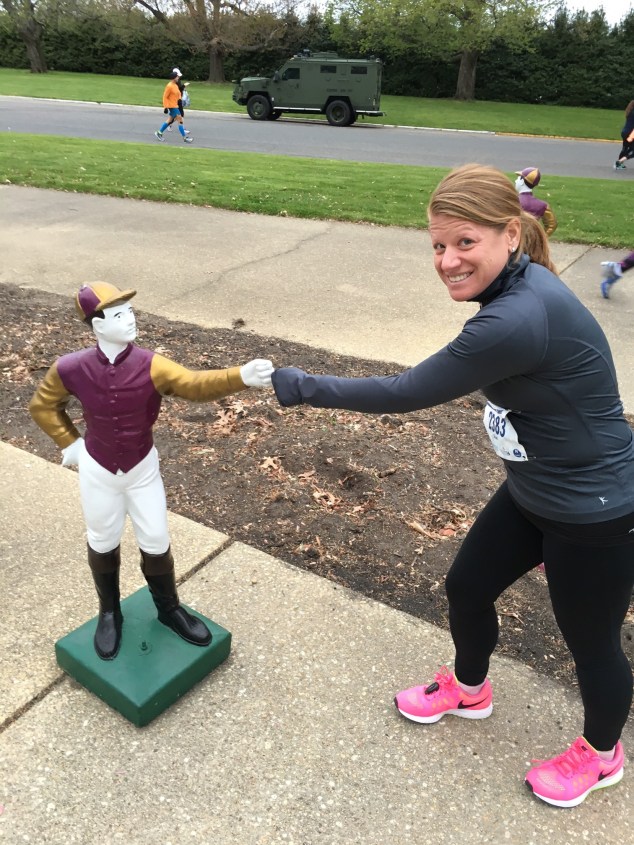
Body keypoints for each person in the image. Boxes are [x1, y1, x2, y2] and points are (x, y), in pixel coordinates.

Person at [271, 163, 634, 809]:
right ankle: (470, 688)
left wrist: (302, 385)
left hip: (592, 508)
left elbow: (406, 391)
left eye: (464, 242)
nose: (446, 260)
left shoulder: (515, 319)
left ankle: (604, 755)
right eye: (438, 245)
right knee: (467, 585)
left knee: (591, 644)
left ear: (509, 237)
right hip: (534, 488)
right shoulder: (517, 287)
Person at [29, 282, 273, 661]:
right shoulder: (71, 368)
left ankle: (168, 608)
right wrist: (71, 444)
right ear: (97, 324)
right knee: (102, 539)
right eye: (119, 314)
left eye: (130, 311)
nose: (130, 320)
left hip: (142, 467)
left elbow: (192, 384)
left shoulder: (150, 364)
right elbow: (43, 406)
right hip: (98, 470)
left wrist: (241, 375)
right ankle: (109, 612)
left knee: (156, 539)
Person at [514, 167, 558, 236]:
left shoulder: (513, 201)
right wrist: (542, 238)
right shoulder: (543, 206)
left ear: (522, 182)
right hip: (532, 240)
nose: (515, 181)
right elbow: (552, 225)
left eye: (518, 178)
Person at [155, 71, 192, 143]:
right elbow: (165, 97)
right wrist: (165, 107)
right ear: (173, 78)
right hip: (172, 106)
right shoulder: (169, 86)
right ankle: (185, 138)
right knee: (180, 120)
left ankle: (159, 133)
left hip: (176, 105)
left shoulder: (175, 85)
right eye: (177, 77)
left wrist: (179, 100)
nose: (178, 78)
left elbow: (178, 93)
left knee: (169, 120)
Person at [166, 67, 189, 134]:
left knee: (175, 116)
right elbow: (178, 90)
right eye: (177, 76)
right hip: (175, 101)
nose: (178, 77)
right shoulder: (173, 83)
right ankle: (182, 130)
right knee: (180, 115)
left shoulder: (177, 81)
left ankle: (168, 126)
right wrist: (184, 86)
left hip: (178, 100)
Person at [614, 100, 634, 170]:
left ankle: (618, 164)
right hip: (631, 134)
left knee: (625, 148)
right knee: (632, 150)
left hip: (624, 132)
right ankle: (620, 161)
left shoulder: (629, 112)